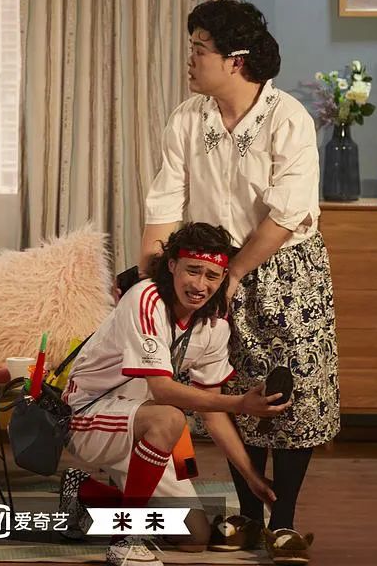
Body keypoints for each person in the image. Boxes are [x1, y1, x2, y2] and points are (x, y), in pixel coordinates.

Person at [140, 0, 340, 565]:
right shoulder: (188, 118)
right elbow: (164, 202)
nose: (190, 59)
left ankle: (284, 520)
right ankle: (248, 516)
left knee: (289, 391)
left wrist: (236, 271)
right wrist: (153, 279)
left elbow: (286, 214)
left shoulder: (287, 118)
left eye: (199, 49)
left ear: (236, 59)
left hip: (283, 269)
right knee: (228, 387)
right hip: (210, 270)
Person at [58, 222, 290, 566]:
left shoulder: (214, 324)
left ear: (223, 277)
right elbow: (163, 389)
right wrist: (241, 404)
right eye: (192, 271)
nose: (200, 285)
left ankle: (83, 492)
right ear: (172, 266)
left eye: (212, 276)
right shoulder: (145, 298)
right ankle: (124, 542)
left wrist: (251, 477)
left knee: (194, 536)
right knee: (170, 418)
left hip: (146, 424)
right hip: (89, 413)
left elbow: (213, 413)